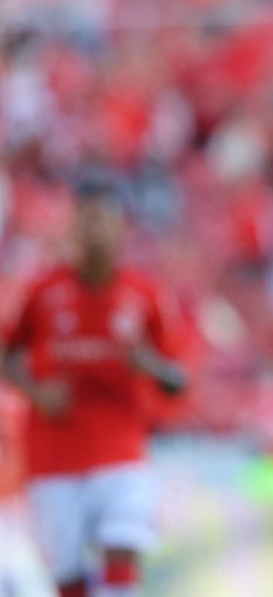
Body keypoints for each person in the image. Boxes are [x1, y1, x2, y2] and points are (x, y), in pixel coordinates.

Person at [1, 181, 188, 597]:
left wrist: (151, 365)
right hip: (54, 456)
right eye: (86, 220)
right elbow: (5, 354)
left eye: (104, 220)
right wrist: (36, 392)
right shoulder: (44, 292)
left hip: (120, 452)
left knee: (122, 550)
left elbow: (179, 380)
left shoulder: (145, 295)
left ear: (122, 229)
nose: (95, 231)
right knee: (69, 579)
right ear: (73, 228)